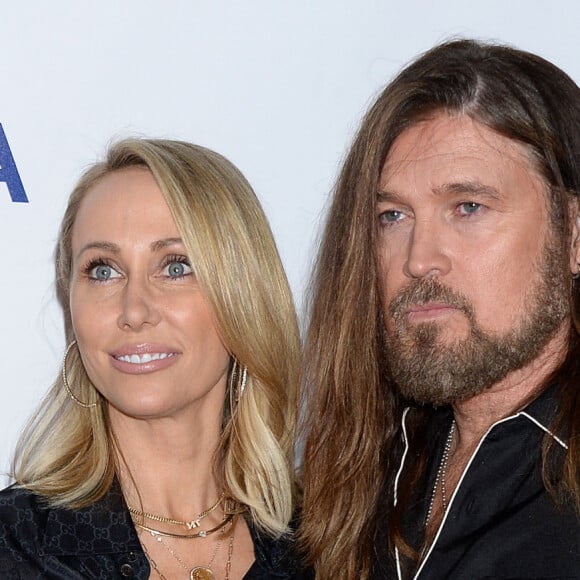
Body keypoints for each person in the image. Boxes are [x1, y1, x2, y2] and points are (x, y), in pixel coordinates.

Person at [300, 39, 580, 579]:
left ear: (572, 232)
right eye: (393, 216)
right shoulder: (365, 475)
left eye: (468, 207)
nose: (420, 259)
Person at [0, 138, 310, 579]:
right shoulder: (16, 548)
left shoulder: (329, 543)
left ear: (243, 295)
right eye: (103, 270)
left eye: (176, 266)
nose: (134, 311)